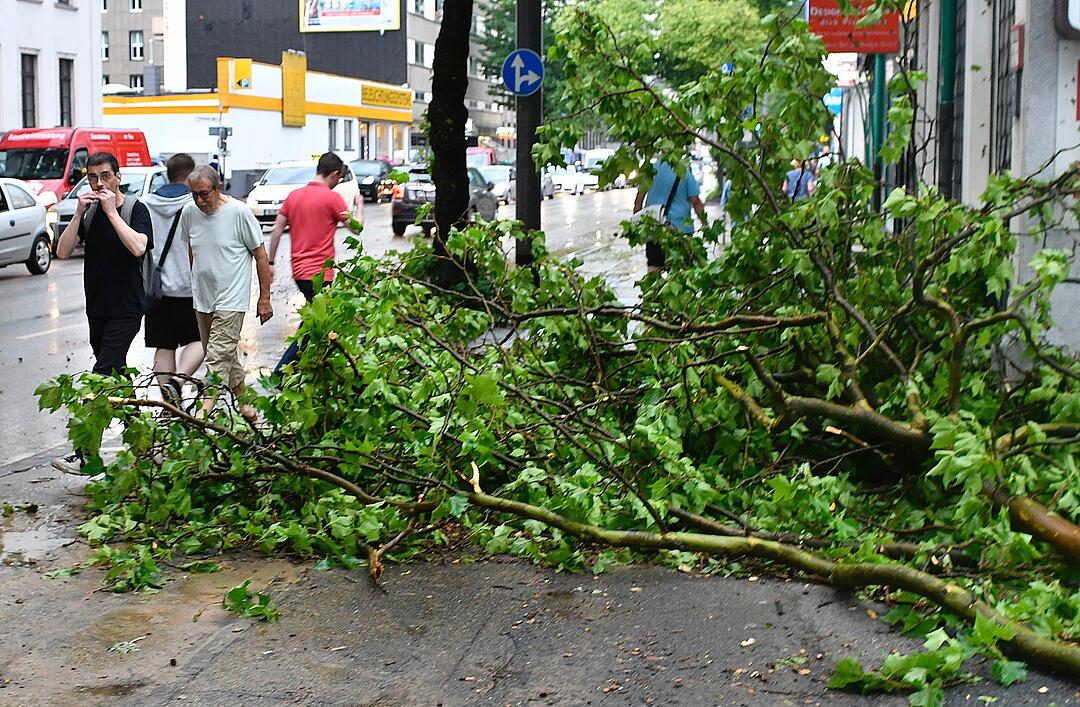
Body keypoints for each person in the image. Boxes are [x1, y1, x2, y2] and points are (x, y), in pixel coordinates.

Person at [180, 165, 273, 419]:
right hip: (203, 299)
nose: (199, 200)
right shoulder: (189, 213)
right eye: (194, 195)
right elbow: (193, 250)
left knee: (216, 356)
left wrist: (264, 298)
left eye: (204, 194)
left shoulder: (239, 213)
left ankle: (203, 412)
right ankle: (246, 405)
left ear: (217, 188)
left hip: (231, 299)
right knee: (225, 353)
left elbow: (261, 256)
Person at [55, 151, 153, 376]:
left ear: (118, 177)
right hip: (97, 308)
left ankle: (88, 411)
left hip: (127, 308)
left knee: (102, 372)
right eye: (93, 177)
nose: (99, 183)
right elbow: (61, 252)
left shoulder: (135, 209)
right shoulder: (89, 213)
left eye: (105, 176)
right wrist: (78, 214)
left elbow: (139, 247)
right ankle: (134, 412)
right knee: (114, 372)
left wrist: (111, 213)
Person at [267, 152, 361, 378]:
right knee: (317, 324)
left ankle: (312, 369)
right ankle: (281, 374)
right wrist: (359, 205)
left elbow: (277, 229)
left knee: (315, 321)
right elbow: (357, 228)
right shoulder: (332, 198)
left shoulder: (294, 196)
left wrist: (270, 262)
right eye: (339, 178)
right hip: (322, 274)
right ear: (335, 174)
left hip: (299, 273)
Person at [143, 153, 204, 403]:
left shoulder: (146, 203)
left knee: (164, 344)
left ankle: (169, 402)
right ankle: (178, 382)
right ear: (191, 176)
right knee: (201, 340)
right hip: (191, 288)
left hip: (157, 289)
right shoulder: (195, 204)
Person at [631, 160, 707, 270]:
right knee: (682, 272)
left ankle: (654, 286)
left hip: (655, 229)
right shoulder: (684, 170)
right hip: (681, 231)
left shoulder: (650, 170)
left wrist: (638, 225)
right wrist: (705, 223)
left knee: (654, 269)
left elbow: (638, 200)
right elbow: (695, 201)